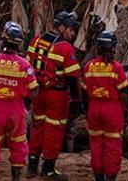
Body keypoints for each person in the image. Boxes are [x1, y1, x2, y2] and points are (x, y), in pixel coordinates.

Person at [0, 23, 39, 181]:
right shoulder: (25, 65)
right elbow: (34, 90)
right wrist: (21, 93)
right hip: (17, 112)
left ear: (3, 41)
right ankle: (16, 178)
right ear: (19, 44)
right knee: (18, 146)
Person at [26, 11, 82, 180]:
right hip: (56, 95)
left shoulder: (36, 40)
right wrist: (76, 100)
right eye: (71, 30)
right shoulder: (64, 47)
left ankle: (32, 166)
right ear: (62, 27)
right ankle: (48, 169)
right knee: (54, 131)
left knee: (37, 127)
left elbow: (27, 63)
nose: (72, 34)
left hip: (37, 92)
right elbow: (72, 77)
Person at [81, 31, 128, 181]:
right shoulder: (116, 68)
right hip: (112, 109)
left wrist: (87, 110)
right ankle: (111, 176)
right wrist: (125, 109)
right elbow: (123, 92)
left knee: (96, 144)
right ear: (113, 47)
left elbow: (83, 91)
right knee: (113, 144)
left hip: (94, 108)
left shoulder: (89, 66)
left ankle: (99, 177)